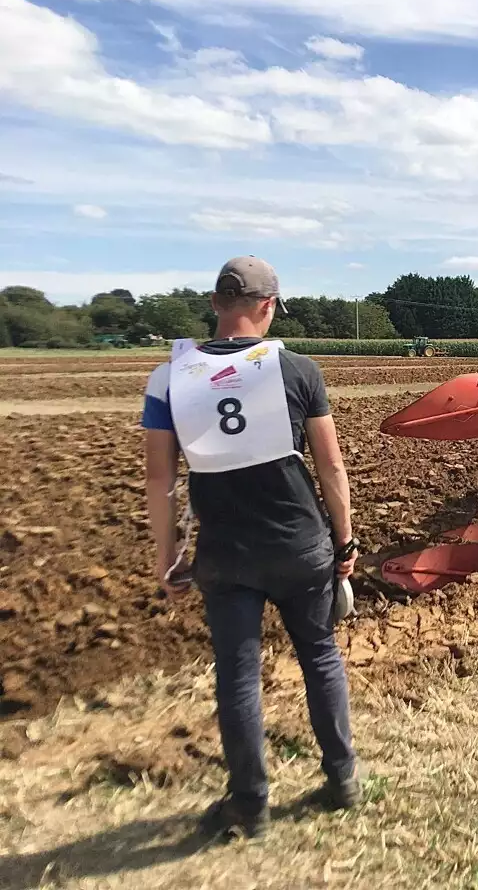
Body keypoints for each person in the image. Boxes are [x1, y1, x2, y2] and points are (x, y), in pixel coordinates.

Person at [141, 255, 362, 841]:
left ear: (214, 304)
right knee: (319, 656)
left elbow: (159, 479)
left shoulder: (168, 378)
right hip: (299, 545)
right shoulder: (300, 371)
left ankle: (250, 805)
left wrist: (168, 558)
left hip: (226, 555)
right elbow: (332, 466)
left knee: (237, 675)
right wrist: (346, 540)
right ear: (269, 308)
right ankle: (342, 780)